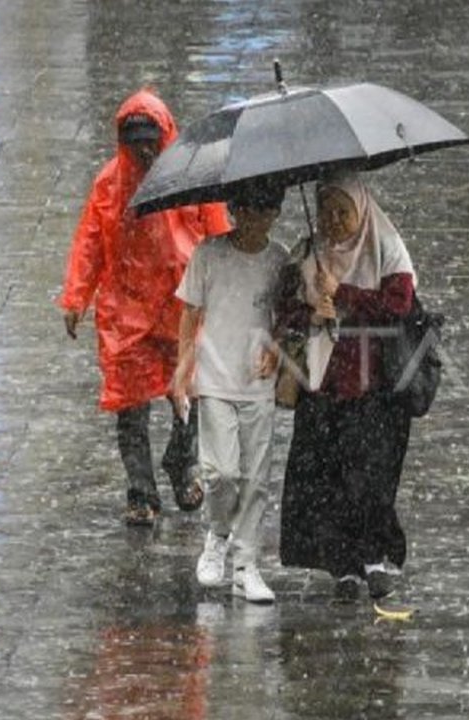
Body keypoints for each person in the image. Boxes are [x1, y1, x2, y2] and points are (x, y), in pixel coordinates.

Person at [58, 88, 232, 527]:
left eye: (150, 140)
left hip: (181, 305)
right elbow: (91, 242)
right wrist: (77, 296)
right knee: (131, 404)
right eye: (135, 141)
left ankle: (182, 462)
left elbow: (217, 233)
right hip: (127, 310)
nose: (143, 150)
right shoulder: (110, 184)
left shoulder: (191, 179)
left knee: (190, 390)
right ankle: (141, 492)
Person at [275, 172, 416, 602]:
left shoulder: (385, 246)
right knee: (326, 479)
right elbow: (284, 313)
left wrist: (347, 293)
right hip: (323, 385)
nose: (334, 221)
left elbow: (400, 304)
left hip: (376, 385)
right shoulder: (307, 254)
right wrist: (312, 311)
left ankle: (374, 557)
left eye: (343, 212)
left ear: (362, 210)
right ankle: (343, 567)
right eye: (326, 212)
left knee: (370, 476)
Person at [173, 179, 289, 604]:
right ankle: (217, 533)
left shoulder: (280, 261)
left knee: (255, 478)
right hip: (216, 380)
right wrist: (183, 369)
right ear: (234, 211)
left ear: (275, 214)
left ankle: (246, 564)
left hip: (257, 384)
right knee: (221, 473)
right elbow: (190, 312)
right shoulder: (208, 255)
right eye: (248, 211)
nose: (255, 221)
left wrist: (276, 346)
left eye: (266, 212)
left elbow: (286, 315)